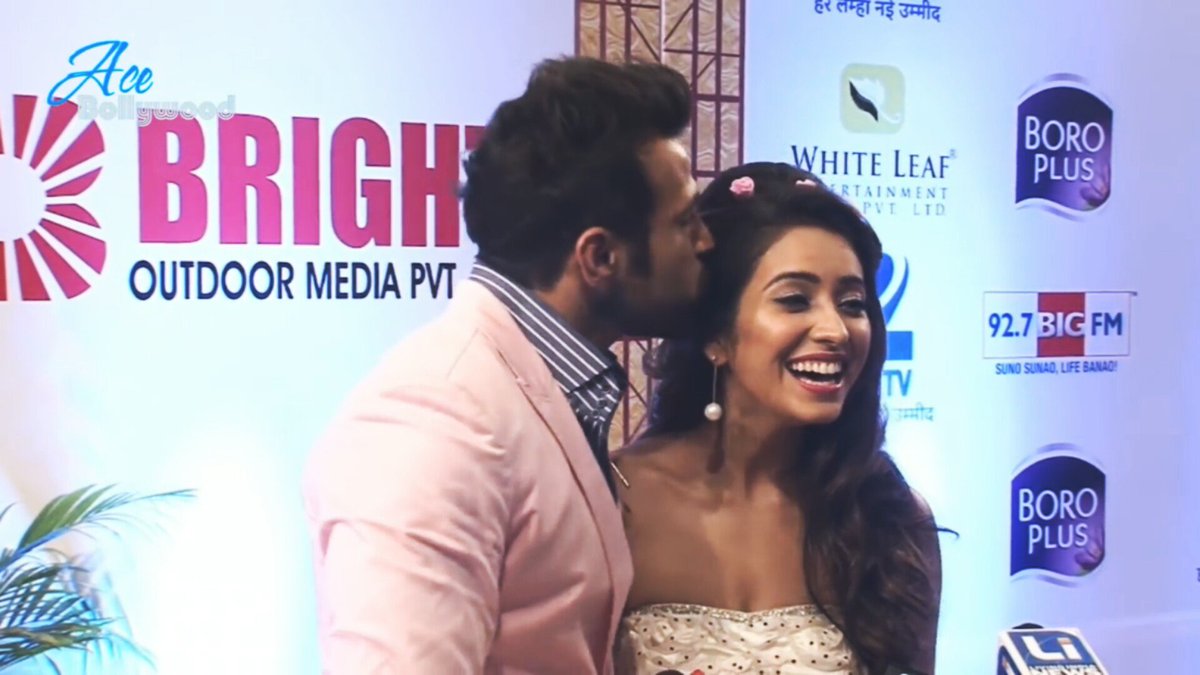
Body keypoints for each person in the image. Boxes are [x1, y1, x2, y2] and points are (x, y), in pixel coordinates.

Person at [301, 56, 713, 674]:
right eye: (685, 222)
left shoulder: (540, 382)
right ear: (600, 257)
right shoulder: (435, 420)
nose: (705, 242)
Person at [612, 163, 943, 675]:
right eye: (794, 300)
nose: (834, 330)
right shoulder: (616, 503)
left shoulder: (889, 516)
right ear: (716, 335)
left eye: (852, 303)